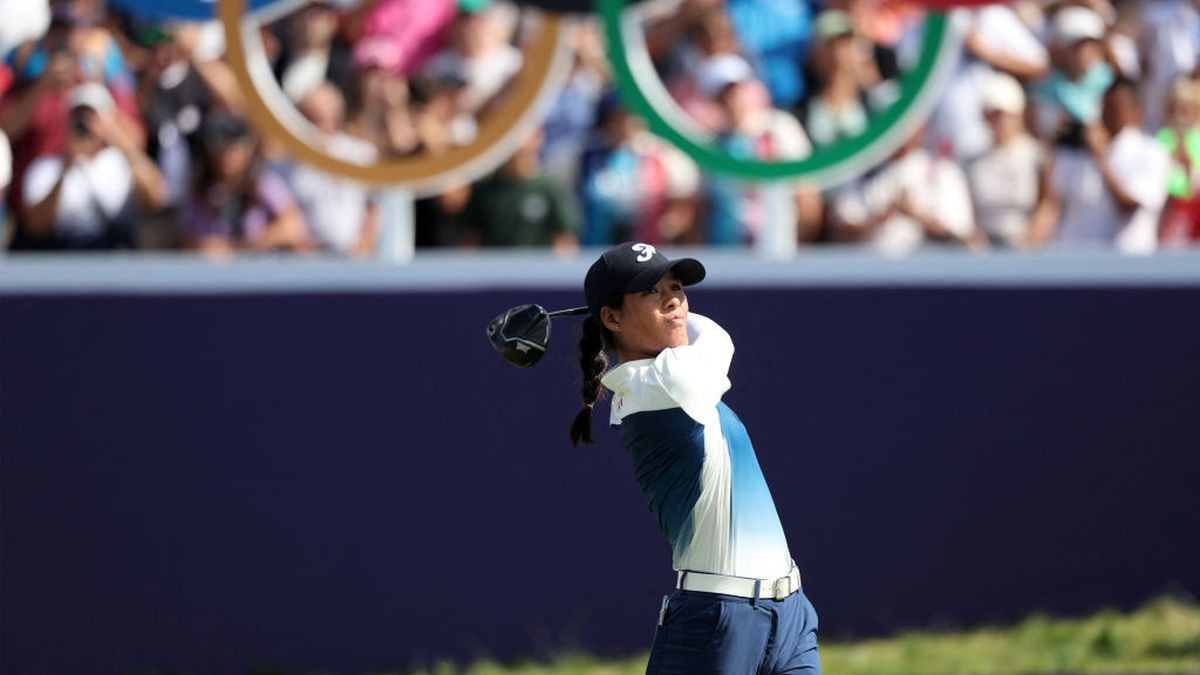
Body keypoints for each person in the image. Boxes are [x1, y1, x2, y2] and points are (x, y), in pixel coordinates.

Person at [571, 242, 819, 674]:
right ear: (611, 317)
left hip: (790, 613)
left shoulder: (669, 375)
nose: (674, 301)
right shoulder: (658, 384)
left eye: (677, 287)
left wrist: (639, 313)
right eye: (651, 291)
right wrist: (665, 316)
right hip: (717, 622)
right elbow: (718, 336)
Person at [1029, 78, 1170, 254]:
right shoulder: (1081, 151)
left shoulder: (1151, 152)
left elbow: (1128, 206)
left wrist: (1101, 158)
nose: (1107, 116)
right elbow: (1051, 203)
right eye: (1105, 108)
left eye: (1115, 109)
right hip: (1075, 263)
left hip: (1128, 267)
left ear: (1135, 112)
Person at [20, 82, 166, 248]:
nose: (86, 124)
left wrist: (125, 147)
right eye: (79, 116)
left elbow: (156, 200)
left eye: (93, 117)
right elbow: (36, 225)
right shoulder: (45, 167)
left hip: (112, 257)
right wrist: (65, 169)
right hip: (62, 258)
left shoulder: (121, 164)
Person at [966, 73, 1045, 248]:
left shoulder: (1036, 156)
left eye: (1008, 115)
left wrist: (1030, 240)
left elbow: (1047, 205)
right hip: (985, 251)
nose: (1002, 122)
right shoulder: (973, 161)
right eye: (995, 115)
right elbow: (971, 213)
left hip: (1026, 249)